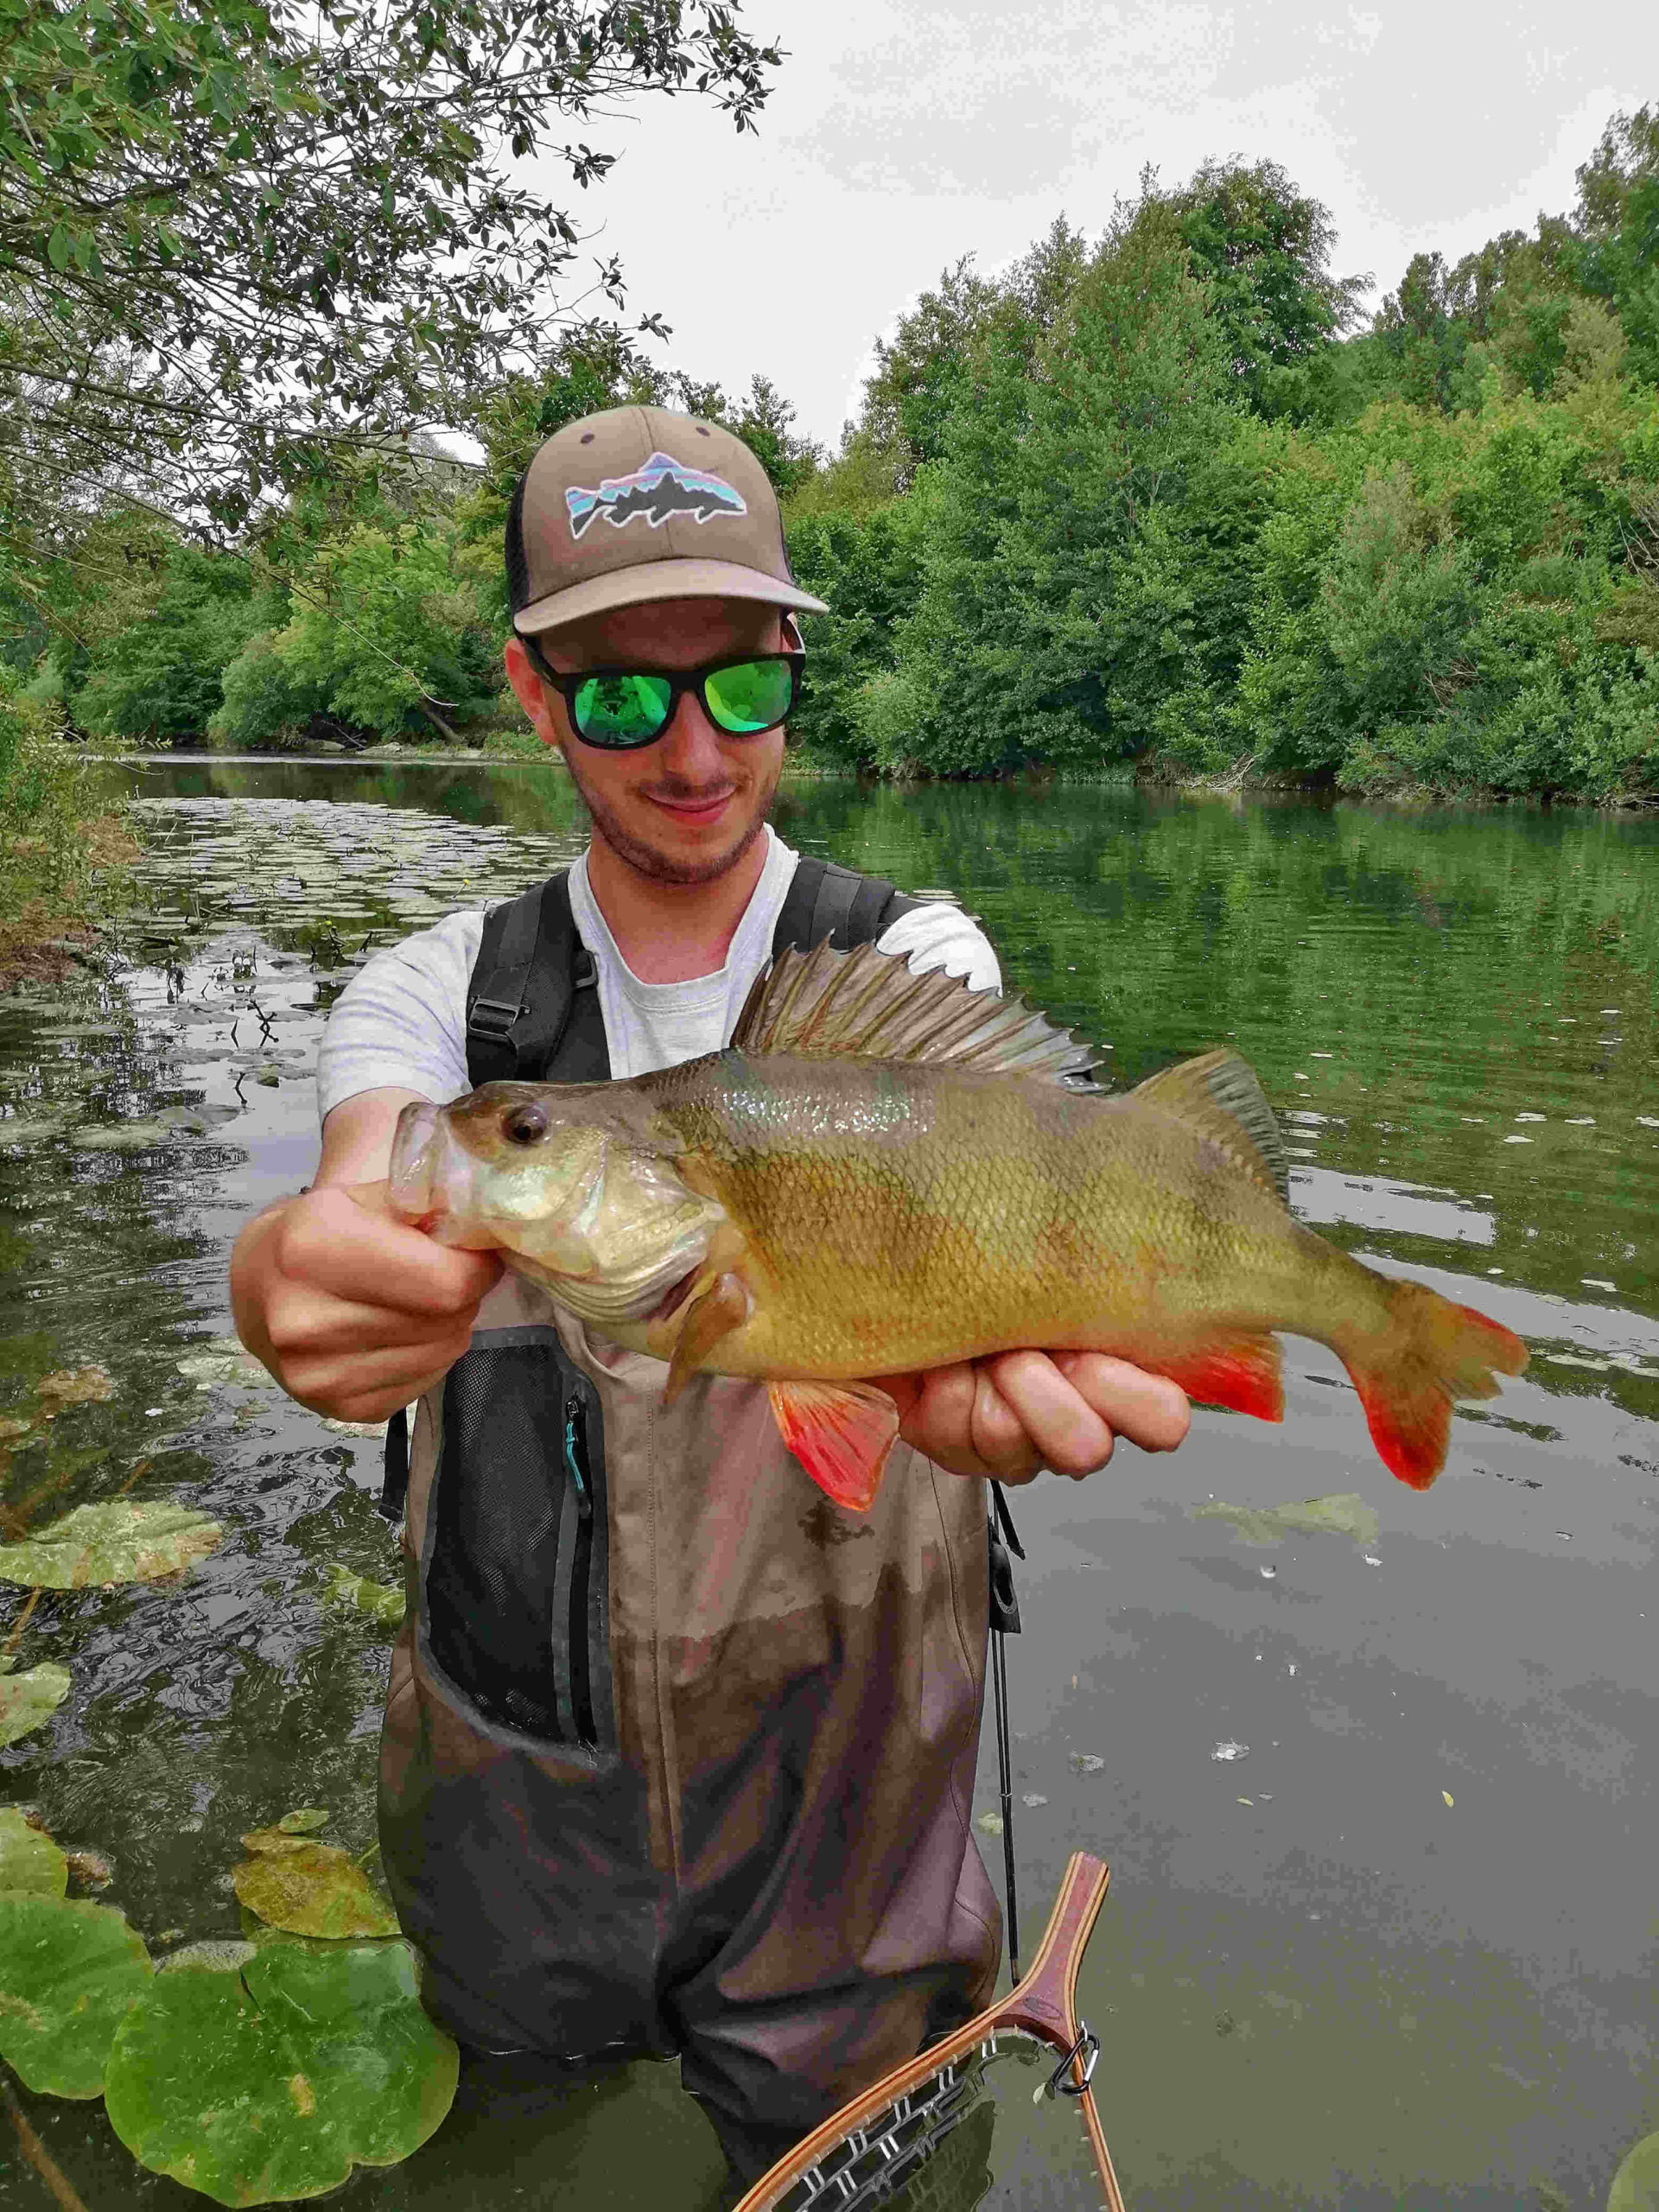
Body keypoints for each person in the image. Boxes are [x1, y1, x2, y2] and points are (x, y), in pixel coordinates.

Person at [230, 405, 1189, 2190]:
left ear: (793, 676)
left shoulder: (912, 963)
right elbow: (359, 1178)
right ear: (536, 694)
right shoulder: (445, 1003)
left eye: (740, 688)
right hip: (519, 1831)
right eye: (620, 696)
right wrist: (286, 1269)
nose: (691, 749)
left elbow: (1027, 1153)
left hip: (858, 1848)